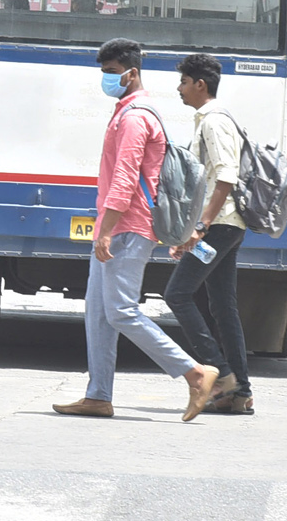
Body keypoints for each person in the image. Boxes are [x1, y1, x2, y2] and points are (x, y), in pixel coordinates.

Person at [54, 38, 218, 421]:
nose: (107, 80)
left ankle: (195, 373)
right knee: (98, 312)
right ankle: (98, 395)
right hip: (117, 225)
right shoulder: (130, 111)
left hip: (128, 227)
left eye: (112, 73)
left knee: (122, 311)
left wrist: (107, 230)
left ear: (132, 72)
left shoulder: (134, 117)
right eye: (104, 73)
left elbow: (125, 180)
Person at [164, 53, 253, 415]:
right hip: (226, 228)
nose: (180, 88)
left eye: (184, 82)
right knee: (222, 306)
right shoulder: (213, 119)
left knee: (178, 293)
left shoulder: (214, 122)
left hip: (219, 227)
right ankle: (240, 391)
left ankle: (221, 375)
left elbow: (226, 177)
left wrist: (199, 228)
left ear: (201, 84)